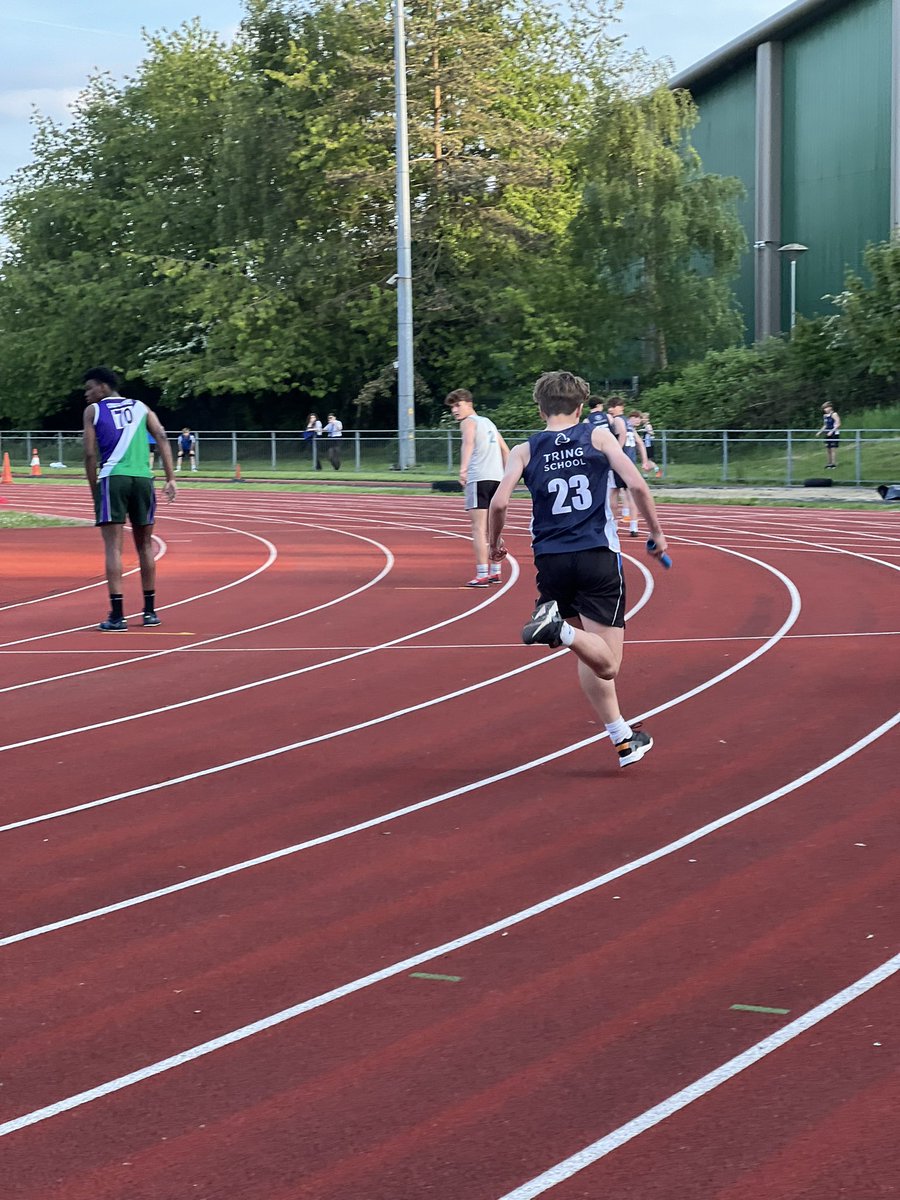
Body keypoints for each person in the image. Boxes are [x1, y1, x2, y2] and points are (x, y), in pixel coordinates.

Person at [488, 370, 668, 768]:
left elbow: (499, 504)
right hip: (596, 555)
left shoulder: (525, 449)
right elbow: (636, 484)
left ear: (540, 409)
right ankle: (560, 629)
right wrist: (656, 532)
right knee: (608, 661)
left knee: (588, 653)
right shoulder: (597, 436)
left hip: (550, 561)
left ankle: (622, 738)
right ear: (581, 406)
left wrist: (494, 542)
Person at [82, 366, 177, 631]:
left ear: (103, 386)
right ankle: (149, 612)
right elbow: (161, 436)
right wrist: (170, 477)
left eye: (89, 388)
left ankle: (118, 614)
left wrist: (94, 490)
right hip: (143, 478)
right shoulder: (141, 406)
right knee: (145, 545)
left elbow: (89, 454)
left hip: (113, 478)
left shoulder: (94, 411)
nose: (87, 394)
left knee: (113, 547)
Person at [446, 387, 510, 586]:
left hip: (479, 477)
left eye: (458, 405)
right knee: (494, 529)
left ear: (468, 404)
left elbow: (468, 444)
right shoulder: (488, 422)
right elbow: (505, 449)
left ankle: (482, 573)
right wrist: (507, 476)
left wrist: (463, 470)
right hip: (496, 478)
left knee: (478, 528)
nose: (455, 411)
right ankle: (496, 570)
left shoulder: (469, 422)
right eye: (452, 407)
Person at [816, 402, 841, 469]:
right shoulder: (825, 416)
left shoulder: (834, 414)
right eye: (824, 408)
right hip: (827, 433)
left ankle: (834, 463)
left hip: (834, 433)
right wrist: (820, 432)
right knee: (828, 449)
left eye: (826, 408)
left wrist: (832, 431)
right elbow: (825, 425)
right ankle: (829, 463)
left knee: (833, 449)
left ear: (830, 407)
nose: (825, 409)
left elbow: (838, 424)